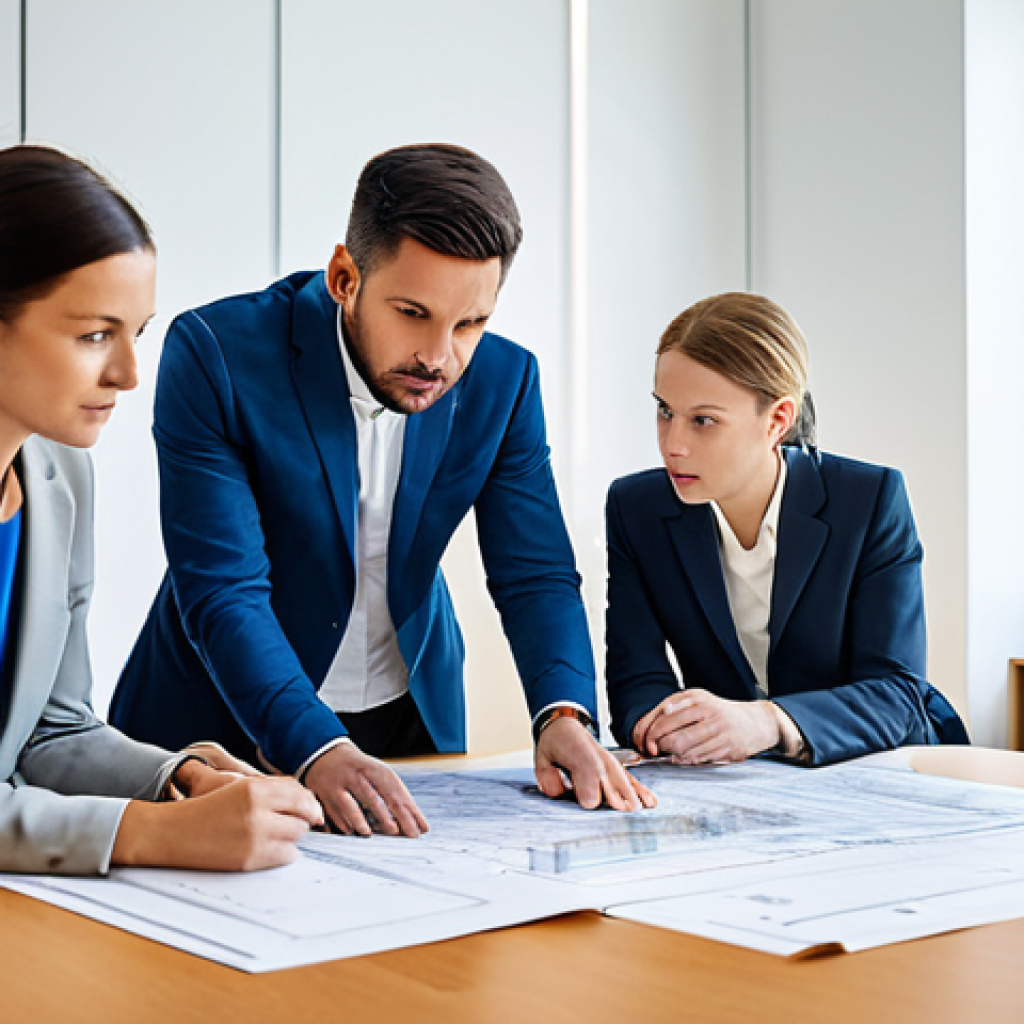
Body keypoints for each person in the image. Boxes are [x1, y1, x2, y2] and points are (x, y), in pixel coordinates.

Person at [110, 143, 653, 835]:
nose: (440, 355)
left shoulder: (506, 382)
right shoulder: (217, 353)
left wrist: (564, 713)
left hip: (410, 724)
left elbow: (536, 573)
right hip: (219, 729)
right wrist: (317, 747)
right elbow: (223, 588)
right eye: (413, 313)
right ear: (345, 276)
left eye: (470, 323)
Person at [0, 145, 322, 874]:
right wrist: (148, 834)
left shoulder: (61, 477)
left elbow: (52, 731)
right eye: (93, 335)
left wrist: (179, 780)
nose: (128, 374)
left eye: (135, 334)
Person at [605, 292, 969, 766]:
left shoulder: (870, 500)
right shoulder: (637, 508)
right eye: (665, 410)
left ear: (778, 419)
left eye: (704, 421)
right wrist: (668, 728)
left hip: (873, 770)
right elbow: (636, 679)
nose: (673, 444)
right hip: (734, 784)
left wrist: (768, 721)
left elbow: (899, 694)